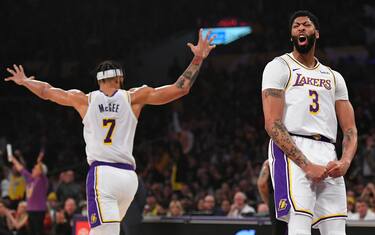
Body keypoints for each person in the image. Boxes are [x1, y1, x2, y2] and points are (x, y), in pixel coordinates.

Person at [4, 29, 216, 235]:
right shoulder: (134, 97)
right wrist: (197, 59)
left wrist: (25, 81)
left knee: (104, 232)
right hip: (128, 179)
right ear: (120, 79)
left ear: (98, 81)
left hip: (103, 175)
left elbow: (47, 91)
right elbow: (180, 88)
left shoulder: (84, 100)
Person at [262, 10, 358, 235]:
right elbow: (272, 124)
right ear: (291, 35)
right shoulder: (279, 66)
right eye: (296, 26)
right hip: (292, 149)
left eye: (306, 25)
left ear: (317, 33)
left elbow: (350, 129)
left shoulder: (334, 76)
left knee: (336, 229)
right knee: (299, 226)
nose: (301, 28)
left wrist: (344, 161)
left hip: (327, 151)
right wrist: (306, 165)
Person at [11, 151, 48, 235]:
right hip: (30, 210)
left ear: (40, 171)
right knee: (31, 232)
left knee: (38, 232)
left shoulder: (42, 180)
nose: (32, 169)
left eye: (35, 168)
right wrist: (13, 159)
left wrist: (39, 161)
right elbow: (21, 169)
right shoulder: (30, 179)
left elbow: (41, 169)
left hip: (38, 211)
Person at [257, 160, 287, 235]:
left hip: (276, 199)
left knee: (279, 231)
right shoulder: (296, 158)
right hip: (294, 197)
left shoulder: (268, 162)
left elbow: (261, 184)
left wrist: (269, 202)